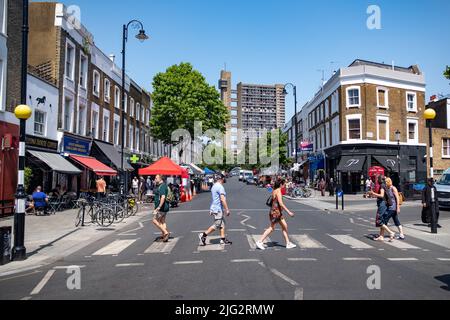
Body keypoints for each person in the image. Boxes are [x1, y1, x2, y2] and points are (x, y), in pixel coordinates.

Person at [256, 178, 297, 250]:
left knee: (285, 226)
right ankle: (260, 241)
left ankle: (288, 243)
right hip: (276, 213)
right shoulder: (278, 191)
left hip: (276, 212)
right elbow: (281, 204)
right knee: (271, 228)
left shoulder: (274, 190)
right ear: (281, 184)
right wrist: (289, 212)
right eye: (284, 184)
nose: (284, 186)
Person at [199, 174, 232, 246]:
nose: (224, 180)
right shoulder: (220, 187)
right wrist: (227, 209)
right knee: (217, 225)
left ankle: (222, 239)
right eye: (223, 178)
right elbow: (222, 199)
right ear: (221, 179)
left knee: (222, 224)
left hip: (215, 207)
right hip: (217, 209)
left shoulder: (214, 186)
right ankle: (203, 235)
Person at [369, 176, 396, 242]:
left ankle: (391, 232)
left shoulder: (382, 186)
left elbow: (381, 195)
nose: (377, 180)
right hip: (385, 204)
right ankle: (381, 236)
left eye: (377, 179)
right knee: (382, 220)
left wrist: (373, 193)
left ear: (379, 180)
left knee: (379, 220)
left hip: (382, 204)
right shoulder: (385, 185)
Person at [153, 174, 170, 242]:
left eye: (156, 178)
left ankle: (165, 232)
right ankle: (164, 236)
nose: (155, 179)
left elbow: (163, 197)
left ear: (161, 179)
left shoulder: (162, 186)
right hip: (165, 206)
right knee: (162, 221)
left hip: (162, 207)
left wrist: (158, 207)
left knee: (154, 220)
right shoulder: (162, 186)